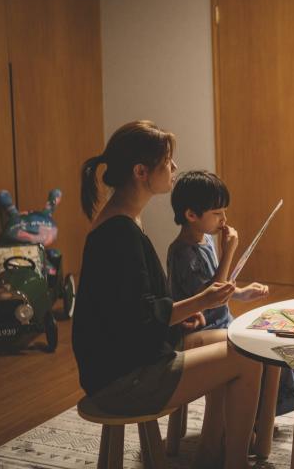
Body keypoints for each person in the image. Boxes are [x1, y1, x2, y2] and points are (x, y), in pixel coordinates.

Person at [73, 121, 268, 469]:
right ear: (141, 172)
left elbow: (130, 312)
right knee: (249, 357)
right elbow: (140, 318)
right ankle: (233, 461)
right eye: (167, 162)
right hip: (123, 380)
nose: (174, 168)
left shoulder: (124, 220)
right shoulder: (119, 233)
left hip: (127, 364)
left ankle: (211, 454)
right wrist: (202, 301)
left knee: (242, 343)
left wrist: (180, 314)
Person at [168, 170, 294, 415]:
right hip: (202, 329)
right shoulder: (183, 253)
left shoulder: (204, 240)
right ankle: (254, 415)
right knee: (260, 346)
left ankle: (263, 412)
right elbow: (210, 295)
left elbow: (215, 286)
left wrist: (240, 293)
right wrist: (228, 252)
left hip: (222, 320)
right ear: (191, 215)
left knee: (277, 334)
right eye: (217, 213)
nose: (224, 219)